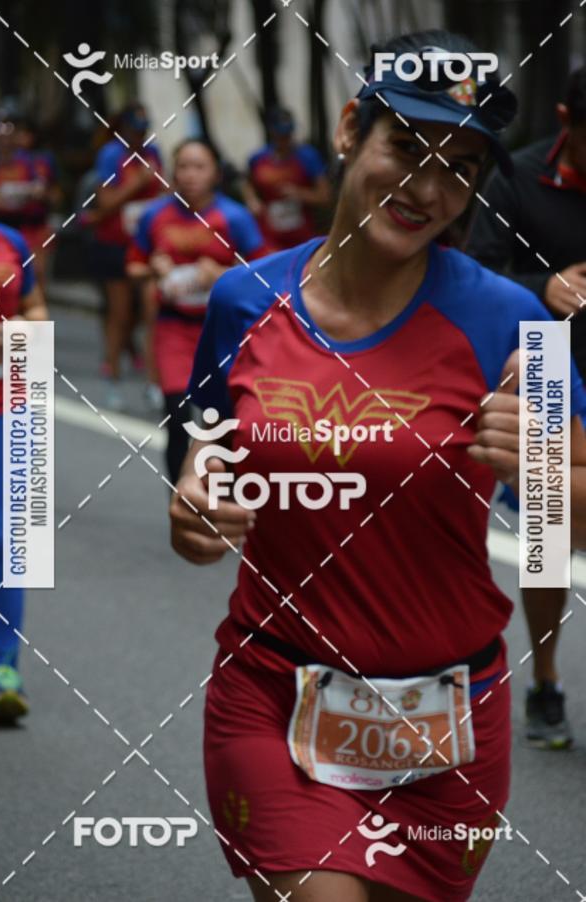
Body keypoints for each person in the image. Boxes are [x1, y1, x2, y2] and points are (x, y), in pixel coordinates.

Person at [169, 31, 586, 902]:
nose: (430, 190)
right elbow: (198, 458)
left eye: (463, 168)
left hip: (452, 717)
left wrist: (542, 464)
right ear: (354, 127)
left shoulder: (511, 322)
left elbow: (563, 530)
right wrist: (196, 510)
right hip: (276, 696)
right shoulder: (243, 300)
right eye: (410, 147)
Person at [467, 66, 586, 750]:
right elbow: (475, 275)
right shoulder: (516, 176)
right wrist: (545, 285)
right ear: (568, 118)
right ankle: (544, 679)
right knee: (549, 536)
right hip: (542, 361)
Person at [126, 139, 266, 485]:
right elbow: (133, 267)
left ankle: (222, 497)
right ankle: (181, 498)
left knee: (222, 421)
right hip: (173, 327)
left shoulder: (235, 217)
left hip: (222, 330)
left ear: (216, 173)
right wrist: (155, 269)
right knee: (177, 418)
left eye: (199, 166)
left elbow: (264, 275)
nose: (190, 175)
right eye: (183, 166)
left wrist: (219, 275)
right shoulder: (154, 216)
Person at [0, 142, 47, 723]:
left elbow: (36, 310)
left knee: (8, 539)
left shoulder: (11, 243)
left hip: (7, 406)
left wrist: (19, 330)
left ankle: (6, 667)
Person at [91, 103, 164, 411]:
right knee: (119, 314)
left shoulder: (153, 153)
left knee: (152, 313)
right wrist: (137, 183)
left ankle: (154, 383)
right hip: (114, 244)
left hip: (146, 245)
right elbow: (104, 203)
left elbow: (163, 195)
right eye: (134, 131)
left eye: (143, 131)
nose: (139, 137)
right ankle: (112, 377)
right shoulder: (111, 155)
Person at [242, 107, 331, 252]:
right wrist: (252, 201)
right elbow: (247, 183)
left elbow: (325, 196)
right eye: (280, 134)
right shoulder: (258, 158)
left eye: (288, 134)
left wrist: (300, 194)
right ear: (272, 132)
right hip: (268, 235)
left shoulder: (308, 156)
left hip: (302, 234)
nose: (284, 139)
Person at [0, 114, 58, 290]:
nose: (4, 136)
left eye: (10, 129)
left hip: (31, 227)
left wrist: (41, 193)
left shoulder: (35, 162)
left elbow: (56, 195)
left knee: (36, 275)